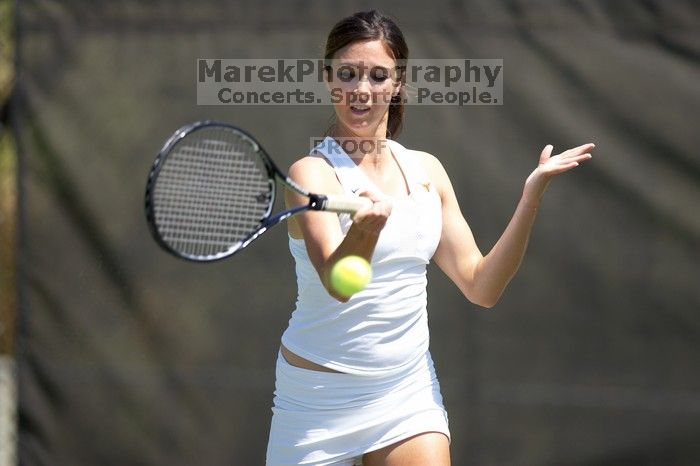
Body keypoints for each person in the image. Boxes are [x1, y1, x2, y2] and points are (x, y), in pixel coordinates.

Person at [266, 10, 594, 466]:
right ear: (328, 79)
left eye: (378, 76)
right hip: (317, 399)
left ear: (397, 82)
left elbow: (482, 287)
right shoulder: (310, 175)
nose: (362, 90)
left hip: (407, 390)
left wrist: (530, 198)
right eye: (348, 74)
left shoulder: (427, 171)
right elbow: (338, 285)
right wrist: (363, 232)